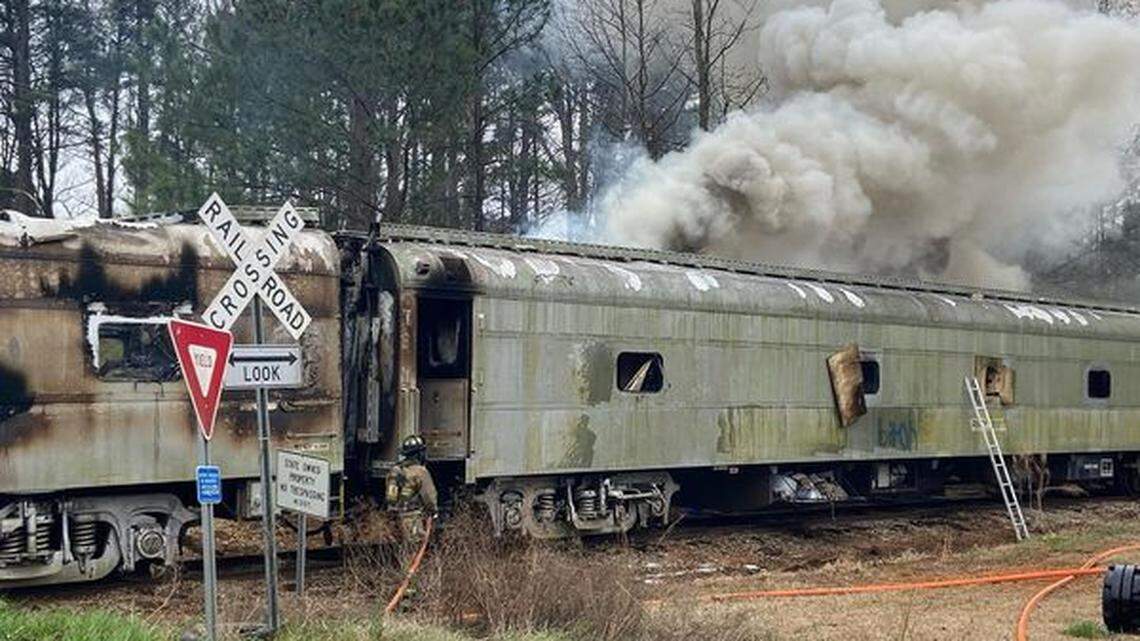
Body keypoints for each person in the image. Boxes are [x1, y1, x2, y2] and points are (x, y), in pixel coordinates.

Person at [385, 435, 438, 540]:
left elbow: (390, 496)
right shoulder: (421, 472)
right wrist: (434, 512)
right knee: (414, 549)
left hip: (393, 521)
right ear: (419, 454)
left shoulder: (394, 470)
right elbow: (429, 497)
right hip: (413, 519)